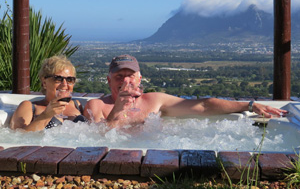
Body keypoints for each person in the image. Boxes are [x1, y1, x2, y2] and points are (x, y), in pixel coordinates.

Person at [84, 54, 287, 128]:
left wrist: (249, 105)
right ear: (109, 79)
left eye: (131, 76)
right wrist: (119, 107)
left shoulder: (154, 101)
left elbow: (203, 105)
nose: (125, 81)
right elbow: (98, 140)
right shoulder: (96, 105)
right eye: (119, 76)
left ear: (139, 79)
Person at [10, 55, 86, 131]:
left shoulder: (77, 105)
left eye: (70, 79)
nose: (64, 84)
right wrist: (46, 115)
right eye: (58, 79)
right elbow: (16, 137)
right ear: (44, 83)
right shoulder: (29, 106)